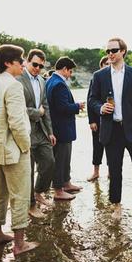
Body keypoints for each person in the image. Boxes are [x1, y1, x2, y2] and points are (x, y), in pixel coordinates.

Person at [89, 37, 132, 219]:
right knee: (115, 170)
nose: (110, 54)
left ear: (123, 51)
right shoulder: (99, 76)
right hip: (111, 129)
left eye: (114, 50)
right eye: (107, 51)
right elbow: (92, 99)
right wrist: (100, 107)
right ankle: (116, 205)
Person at [0, 44, 38, 255]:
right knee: (20, 195)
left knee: (0, 193)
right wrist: (26, 146)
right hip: (14, 150)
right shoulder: (13, 85)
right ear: (7, 63)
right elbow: (17, 122)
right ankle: (20, 244)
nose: (23, 64)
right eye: (20, 60)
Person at [17, 49, 55, 217]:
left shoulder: (42, 80)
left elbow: (45, 106)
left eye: (40, 66)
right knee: (29, 170)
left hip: (41, 131)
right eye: (35, 64)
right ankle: (31, 205)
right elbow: (18, 109)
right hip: (25, 131)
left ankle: (39, 192)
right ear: (26, 61)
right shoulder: (17, 80)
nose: (37, 68)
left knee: (49, 162)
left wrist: (51, 132)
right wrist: (36, 112)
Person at [46, 57, 85, 200]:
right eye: (70, 71)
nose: (70, 74)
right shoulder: (59, 84)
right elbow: (62, 108)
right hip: (61, 128)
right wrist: (77, 106)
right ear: (64, 69)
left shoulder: (50, 81)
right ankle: (58, 189)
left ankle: (66, 183)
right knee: (61, 158)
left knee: (64, 157)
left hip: (57, 127)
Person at [87, 56, 110, 182]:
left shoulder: (115, 78)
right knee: (97, 146)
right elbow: (90, 100)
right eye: (105, 64)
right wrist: (91, 120)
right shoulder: (95, 79)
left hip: (112, 120)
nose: (107, 66)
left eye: (109, 64)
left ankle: (111, 171)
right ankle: (96, 172)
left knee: (111, 146)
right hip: (97, 118)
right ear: (101, 66)